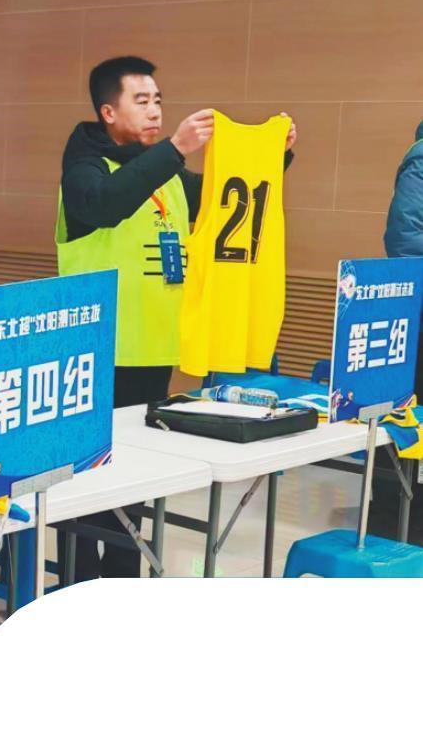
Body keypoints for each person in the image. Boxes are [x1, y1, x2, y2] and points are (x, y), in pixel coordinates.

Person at [56, 56, 296, 580]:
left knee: (135, 475)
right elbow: (105, 205)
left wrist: (272, 157)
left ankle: (124, 577)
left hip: (153, 348)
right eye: (141, 101)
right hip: (97, 351)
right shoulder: (85, 169)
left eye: (158, 100)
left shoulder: (166, 174)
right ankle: (77, 583)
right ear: (108, 112)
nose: (154, 110)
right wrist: (174, 149)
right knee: (89, 477)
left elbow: (224, 196)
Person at [376, 119, 423, 546]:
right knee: (408, 421)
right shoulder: (421, 160)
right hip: (417, 315)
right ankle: (397, 521)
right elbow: (405, 242)